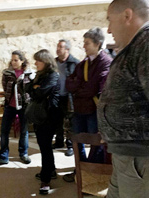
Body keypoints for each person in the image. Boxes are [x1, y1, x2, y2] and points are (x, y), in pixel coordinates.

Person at [98, 0, 149, 197]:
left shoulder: (146, 43)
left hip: (140, 157)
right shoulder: (138, 45)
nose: (109, 30)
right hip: (127, 155)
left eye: (110, 20)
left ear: (127, 16)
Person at [64, 27, 112, 182]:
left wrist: (79, 88)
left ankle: (93, 174)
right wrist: (80, 86)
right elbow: (69, 84)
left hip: (93, 110)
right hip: (80, 109)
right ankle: (80, 169)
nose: (84, 46)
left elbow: (94, 89)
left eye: (87, 43)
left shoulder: (105, 62)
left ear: (97, 44)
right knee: (78, 141)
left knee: (96, 144)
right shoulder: (83, 64)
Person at [0, 50, 35, 166]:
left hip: (24, 106)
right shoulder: (7, 73)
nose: (13, 62)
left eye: (16, 60)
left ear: (22, 61)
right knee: (4, 131)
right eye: (12, 60)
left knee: (24, 131)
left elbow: (30, 90)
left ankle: (23, 154)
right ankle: (3, 156)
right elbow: (5, 88)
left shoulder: (29, 73)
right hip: (10, 105)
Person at [28, 49, 61, 195]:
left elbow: (39, 93)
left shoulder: (53, 75)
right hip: (40, 115)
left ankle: (46, 180)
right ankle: (51, 171)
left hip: (49, 116)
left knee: (45, 148)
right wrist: (35, 88)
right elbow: (28, 88)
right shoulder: (41, 75)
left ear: (46, 62)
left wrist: (36, 88)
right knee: (44, 146)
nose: (35, 63)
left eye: (38, 60)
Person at [53, 39, 80, 157]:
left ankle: (70, 145)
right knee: (57, 120)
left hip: (70, 97)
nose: (58, 49)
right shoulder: (53, 63)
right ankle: (59, 142)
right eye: (57, 47)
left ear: (67, 49)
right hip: (57, 96)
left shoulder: (75, 63)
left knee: (70, 122)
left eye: (60, 47)